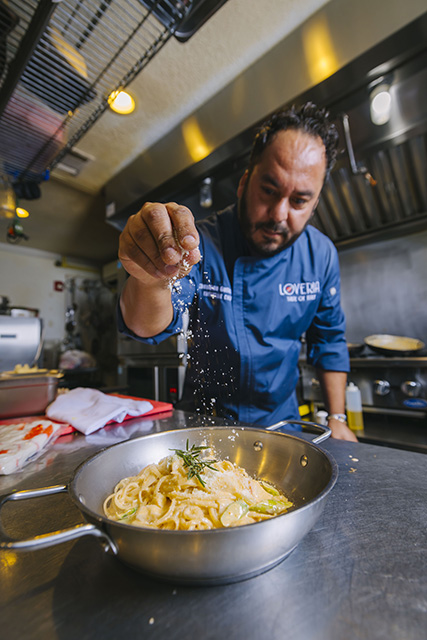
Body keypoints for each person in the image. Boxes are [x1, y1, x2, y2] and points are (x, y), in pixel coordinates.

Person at [118, 102, 357, 442]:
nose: (278, 214)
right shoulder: (202, 242)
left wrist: (337, 417)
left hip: (283, 429)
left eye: (299, 201)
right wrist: (149, 278)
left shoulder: (321, 255)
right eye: (269, 191)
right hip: (203, 426)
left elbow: (329, 340)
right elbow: (144, 325)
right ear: (245, 183)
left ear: (314, 203)